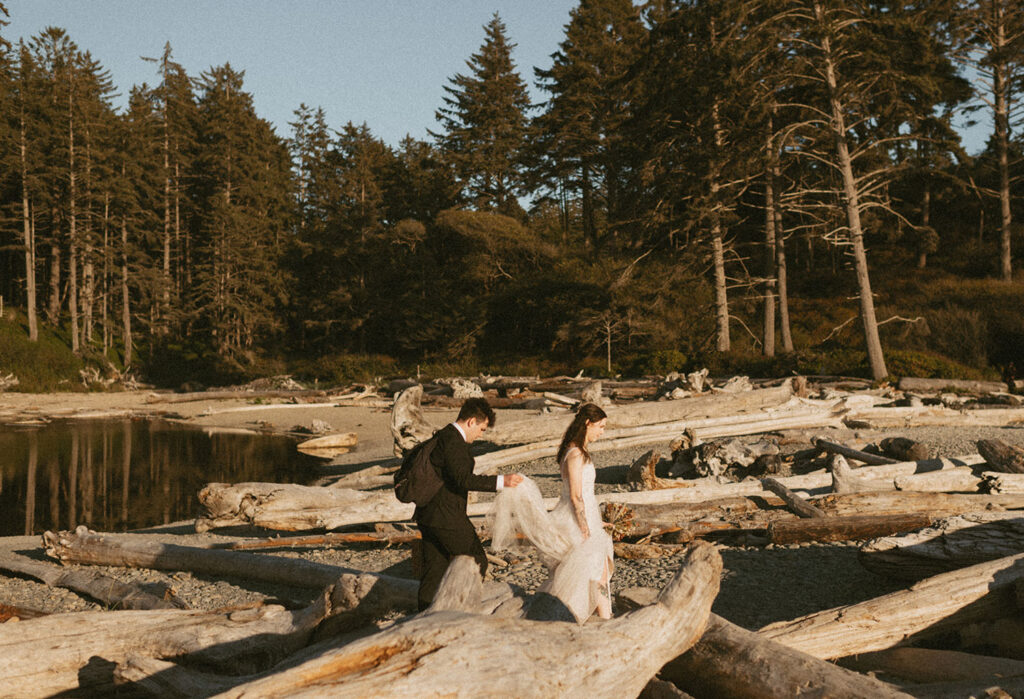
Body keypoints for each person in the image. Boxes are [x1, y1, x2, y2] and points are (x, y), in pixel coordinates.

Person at [491, 402, 614, 622]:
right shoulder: (576, 454)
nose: (602, 432)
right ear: (588, 423)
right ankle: (602, 618)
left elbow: (585, 496)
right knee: (595, 571)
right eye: (601, 426)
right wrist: (586, 527)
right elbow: (576, 496)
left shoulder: (576, 451)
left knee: (596, 570)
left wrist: (597, 522)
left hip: (585, 516)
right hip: (575, 519)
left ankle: (600, 615)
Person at [415, 397, 523, 611]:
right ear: (472, 421)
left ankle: (425, 614)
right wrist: (502, 481)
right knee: (476, 562)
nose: (480, 434)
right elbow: (462, 479)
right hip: (447, 517)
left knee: (435, 570)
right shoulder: (454, 442)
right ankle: (461, 611)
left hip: (427, 514)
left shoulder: (442, 436)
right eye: (482, 429)